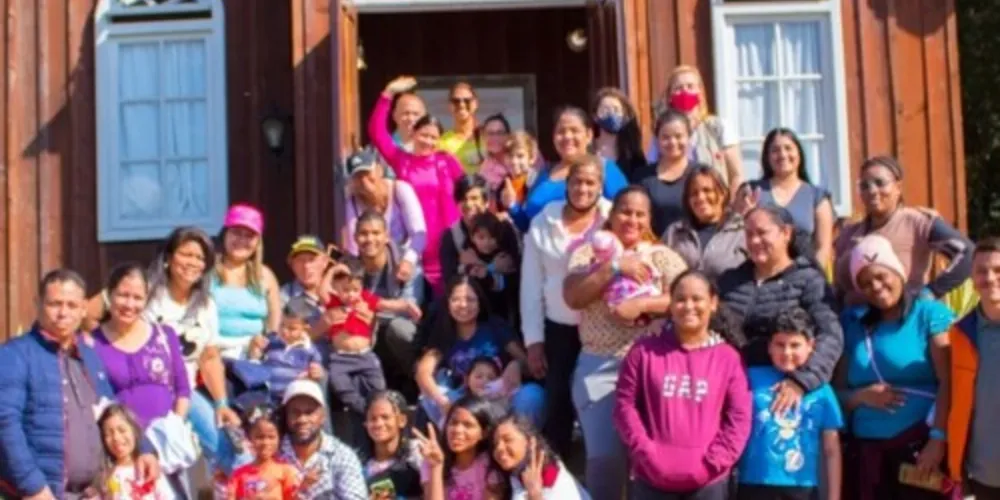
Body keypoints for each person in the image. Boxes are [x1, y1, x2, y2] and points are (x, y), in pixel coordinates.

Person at [563, 186, 688, 499]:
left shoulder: (663, 256)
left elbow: (691, 298)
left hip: (653, 367)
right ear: (611, 214)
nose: (631, 219)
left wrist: (644, 305)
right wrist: (614, 268)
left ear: (648, 219)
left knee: (651, 459)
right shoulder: (587, 253)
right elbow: (573, 296)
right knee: (605, 462)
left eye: (639, 214)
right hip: (600, 367)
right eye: (625, 211)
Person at [0, 269, 160, 499]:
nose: (63, 313)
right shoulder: (15, 355)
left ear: (84, 308)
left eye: (72, 305)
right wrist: (32, 486)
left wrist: (144, 449)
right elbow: (5, 424)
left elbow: (111, 409)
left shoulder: (88, 355)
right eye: (55, 304)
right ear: (38, 304)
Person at [614, 271, 751, 499]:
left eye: (697, 299)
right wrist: (646, 454)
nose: (688, 306)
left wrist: (712, 463)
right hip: (651, 480)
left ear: (713, 303)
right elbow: (624, 406)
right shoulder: (643, 352)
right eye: (680, 299)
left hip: (709, 483)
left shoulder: (728, 358)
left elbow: (739, 417)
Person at [837, 235, 954, 500]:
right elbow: (837, 393)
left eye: (881, 276)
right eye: (865, 283)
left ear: (897, 271)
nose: (876, 287)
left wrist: (938, 439)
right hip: (867, 454)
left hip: (919, 450)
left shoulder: (928, 314)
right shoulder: (851, 324)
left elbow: (949, 381)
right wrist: (862, 397)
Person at [519, 158, 611, 457]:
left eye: (590, 182)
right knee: (557, 401)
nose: (582, 189)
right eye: (576, 182)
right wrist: (534, 341)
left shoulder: (613, 217)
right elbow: (531, 286)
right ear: (567, 184)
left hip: (604, 327)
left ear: (600, 186)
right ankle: (556, 475)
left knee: (599, 403)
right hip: (559, 326)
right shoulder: (543, 224)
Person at [718, 206, 843, 416]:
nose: (755, 241)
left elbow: (831, 335)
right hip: (733, 391)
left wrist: (801, 382)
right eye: (749, 234)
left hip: (784, 396)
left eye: (762, 233)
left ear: (786, 233)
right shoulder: (730, 281)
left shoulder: (809, 281)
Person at [144, 227, 244, 474]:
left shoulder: (206, 304)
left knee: (234, 454)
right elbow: (92, 313)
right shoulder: (146, 294)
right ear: (168, 258)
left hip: (185, 392)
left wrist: (221, 403)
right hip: (147, 391)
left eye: (200, 258)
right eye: (186, 254)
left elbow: (209, 357)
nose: (193, 263)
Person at [369, 76, 465, 298]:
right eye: (424, 135)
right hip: (413, 248)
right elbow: (377, 132)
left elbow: (468, 195)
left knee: (449, 306)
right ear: (413, 134)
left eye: (433, 137)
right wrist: (387, 94)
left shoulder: (447, 161)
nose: (428, 142)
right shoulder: (402, 160)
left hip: (448, 244)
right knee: (416, 312)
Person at [833, 155, 973, 306]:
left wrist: (932, 291)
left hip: (904, 322)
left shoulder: (917, 223)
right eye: (864, 186)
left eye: (880, 183)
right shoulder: (848, 234)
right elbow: (838, 290)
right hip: (854, 324)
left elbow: (968, 253)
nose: (872, 190)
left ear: (898, 187)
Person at [737, 308, 844, 500]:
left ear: (811, 346)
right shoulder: (749, 379)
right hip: (752, 484)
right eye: (780, 344)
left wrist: (834, 496)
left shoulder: (822, 390)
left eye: (795, 345)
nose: (787, 352)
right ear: (769, 346)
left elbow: (831, 450)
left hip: (802, 487)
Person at [415, 276, 544, 428]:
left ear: (480, 303)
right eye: (456, 299)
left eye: (470, 300)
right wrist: (443, 402)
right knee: (429, 398)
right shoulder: (444, 333)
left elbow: (526, 363)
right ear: (448, 303)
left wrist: (515, 365)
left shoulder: (495, 326)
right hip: (464, 400)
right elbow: (423, 372)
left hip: (499, 396)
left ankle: (518, 441)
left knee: (533, 395)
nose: (463, 305)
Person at [321, 257, 420, 417]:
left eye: (355, 289)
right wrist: (333, 270)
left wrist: (406, 305)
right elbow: (322, 290)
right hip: (341, 358)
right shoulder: (334, 303)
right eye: (345, 290)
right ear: (336, 288)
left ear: (361, 287)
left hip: (365, 355)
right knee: (340, 385)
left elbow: (387, 304)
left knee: (379, 385)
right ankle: (363, 408)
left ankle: (383, 407)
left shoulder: (365, 300)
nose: (351, 295)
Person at [501, 111, 627, 232]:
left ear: (589, 135)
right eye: (561, 132)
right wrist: (513, 205)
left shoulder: (605, 168)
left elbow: (627, 213)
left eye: (574, 130)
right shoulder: (543, 174)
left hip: (589, 251)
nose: (567, 136)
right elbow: (528, 226)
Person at [734, 128, 835, 268]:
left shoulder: (817, 197)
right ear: (767, 157)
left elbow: (823, 248)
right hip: (759, 275)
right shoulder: (750, 191)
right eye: (775, 150)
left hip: (803, 277)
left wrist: (813, 278)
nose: (782, 154)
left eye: (788, 148)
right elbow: (734, 236)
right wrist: (745, 216)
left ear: (799, 153)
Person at [948, 238, 1000, 499]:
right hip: (983, 474)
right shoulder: (961, 334)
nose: (989, 278)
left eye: (998, 270)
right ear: (972, 276)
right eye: (982, 271)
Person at [648, 65, 744, 190]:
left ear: (700, 92)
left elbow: (737, 175)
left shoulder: (718, 127)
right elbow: (651, 172)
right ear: (670, 96)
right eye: (678, 88)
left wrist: (731, 206)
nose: (685, 92)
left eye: (690, 86)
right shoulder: (661, 133)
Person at [341, 148, 427, 287]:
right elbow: (353, 244)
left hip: (404, 262)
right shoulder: (352, 202)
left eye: (367, 173)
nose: (363, 180)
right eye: (358, 176)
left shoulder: (400, 189)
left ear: (379, 170)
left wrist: (408, 260)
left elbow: (419, 233)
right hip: (371, 267)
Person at [212, 203, 283, 359]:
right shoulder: (207, 272)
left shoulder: (265, 275)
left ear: (258, 242)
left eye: (249, 235)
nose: (242, 240)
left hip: (254, 352)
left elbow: (274, 322)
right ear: (225, 234)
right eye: (236, 233)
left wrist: (267, 347)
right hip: (214, 352)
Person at [278, 380, 368, 500]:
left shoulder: (342, 455)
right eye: (295, 412)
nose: (302, 419)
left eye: (309, 412)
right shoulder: (273, 452)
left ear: (323, 416)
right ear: (286, 416)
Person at [663, 165, 747, 281]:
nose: (701, 198)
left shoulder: (742, 230)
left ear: (723, 193)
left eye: (707, 190)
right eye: (694, 193)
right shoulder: (674, 232)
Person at [413, 396, 505, 500]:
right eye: (453, 423)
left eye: (468, 425)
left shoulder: (490, 466)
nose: (457, 430)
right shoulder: (431, 461)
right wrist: (436, 467)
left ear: (484, 433)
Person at [491, 414, 591, 500]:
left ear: (530, 442)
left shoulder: (551, 477)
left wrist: (535, 495)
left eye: (508, 440)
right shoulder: (517, 475)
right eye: (495, 444)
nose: (499, 448)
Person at [632, 111, 697, 236]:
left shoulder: (701, 174)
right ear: (657, 140)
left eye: (679, 136)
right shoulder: (642, 176)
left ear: (689, 137)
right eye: (666, 137)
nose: (672, 142)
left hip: (694, 249)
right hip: (652, 248)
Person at [246, 304, 325, 406]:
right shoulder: (271, 341)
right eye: (282, 325)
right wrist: (255, 345)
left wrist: (316, 373)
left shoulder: (310, 350)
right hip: (266, 393)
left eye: (292, 328)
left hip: (289, 396)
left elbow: (316, 371)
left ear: (306, 329)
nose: (284, 331)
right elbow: (255, 357)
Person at [98, 405, 177, 500]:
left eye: (122, 430)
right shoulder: (105, 477)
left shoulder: (149, 469)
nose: (116, 437)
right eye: (108, 434)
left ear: (134, 431)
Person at [226, 405, 301, 500]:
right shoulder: (239, 475)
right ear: (249, 438)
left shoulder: (285, 472)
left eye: (271, 437)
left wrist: (303, 486)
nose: (266, 443)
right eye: (260, 437)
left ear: (279, 438)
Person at [360, 390, 423, 499]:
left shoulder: (417, 455)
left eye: (385, 417)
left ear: (402, 420)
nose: (378, 424)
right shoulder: (359, 464)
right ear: (365, 424)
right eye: (373, 419)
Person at [591, 87, 646, 182]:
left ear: (624, 116)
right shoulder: (588, 151)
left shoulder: (634, 157)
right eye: (605, 109)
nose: (611, 113)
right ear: (595, 116)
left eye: (616, 109)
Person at [279, 235, 334, 328]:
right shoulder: (284, 295)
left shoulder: (339, 290)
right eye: (300, 260)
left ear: (325, 262)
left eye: (312, 259)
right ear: (291, 264)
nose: (306, 266)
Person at [439, 82, 485, 174]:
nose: (462, 105)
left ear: (475, 104)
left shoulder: (488, 137)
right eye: (456, 101)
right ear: (450, 106)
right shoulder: (441, 142)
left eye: (467, 100)